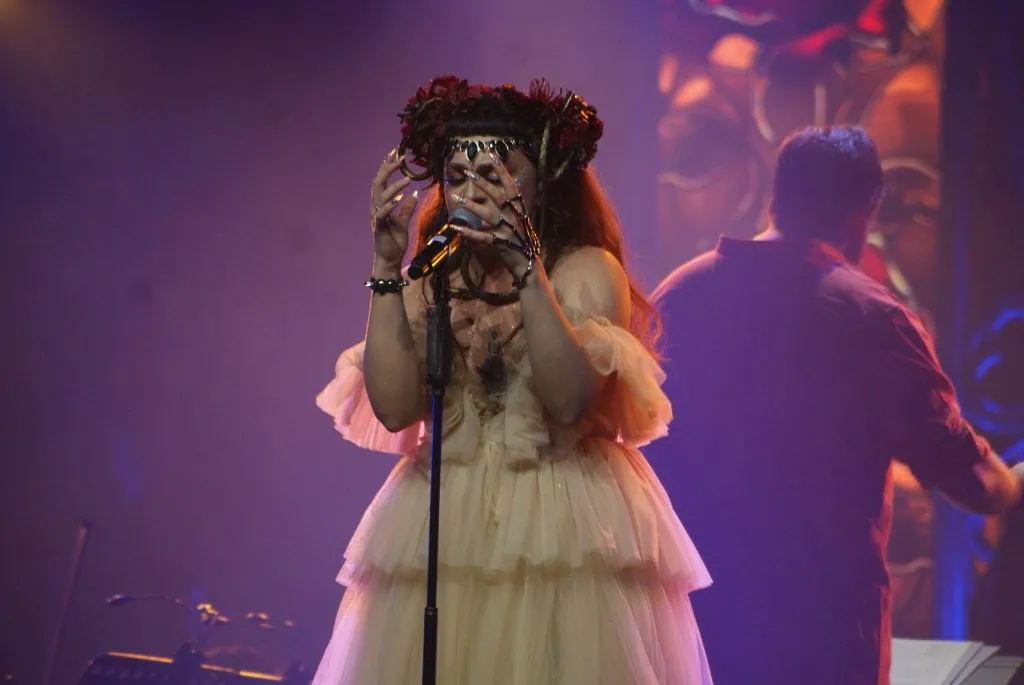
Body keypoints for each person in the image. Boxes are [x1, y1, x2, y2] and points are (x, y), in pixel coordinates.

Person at [312, 75, 714, 685]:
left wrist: (526, 269)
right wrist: (387, 267)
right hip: (446, 522)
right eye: (456, 176)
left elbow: (568, 402)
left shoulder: (584, 270)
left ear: (539, 184)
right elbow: (394, 409)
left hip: (560, 523)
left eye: (495, 175)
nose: (473, 191)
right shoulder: (435, 271)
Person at [648, 125, 1024, 685]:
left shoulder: (679, 295)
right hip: (823, 633)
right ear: (865, 211)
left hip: (695, 627)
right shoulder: (873, 317)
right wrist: (1012, 482)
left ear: (776, 197)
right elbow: (972, 481)